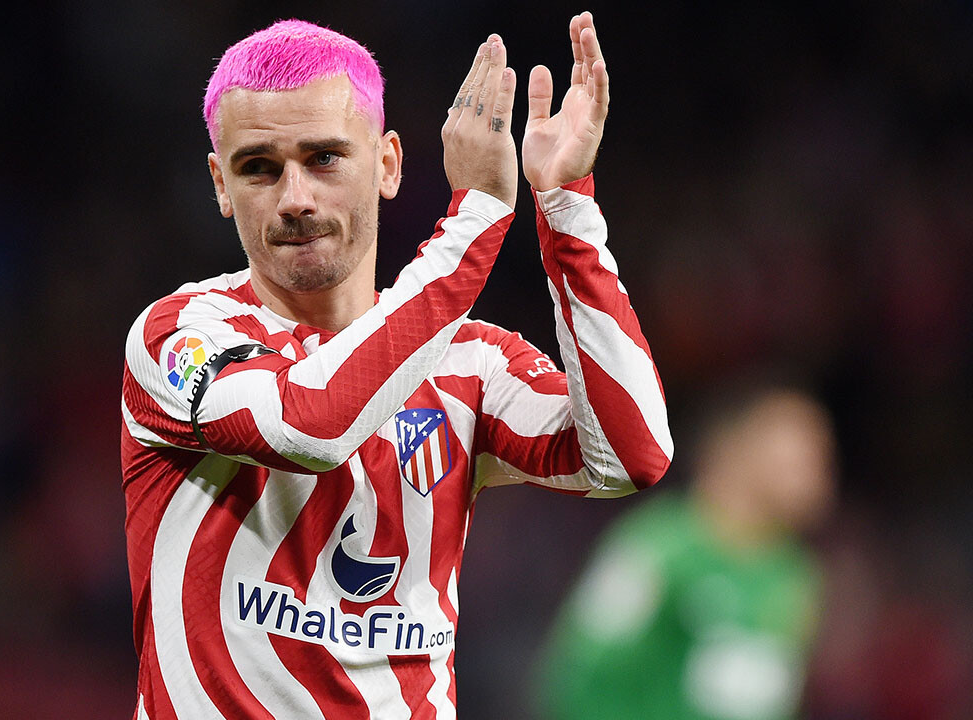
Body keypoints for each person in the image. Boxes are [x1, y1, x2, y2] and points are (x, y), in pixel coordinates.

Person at [120, 12, 672, 718]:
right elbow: (312, 425)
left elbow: (630, 456)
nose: (295, 199)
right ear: (220, 185)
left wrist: (567, 206)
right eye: (259, 167)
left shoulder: (470, 362)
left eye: (324, 158)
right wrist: (473, 220)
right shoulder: (178, 337)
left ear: (387, 164)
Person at [534, 383, 837, 720]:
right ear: (737, 448)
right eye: (801, 453)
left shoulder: (795, 575)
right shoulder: (659, 548)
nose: (816, 472)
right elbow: (581, 670)